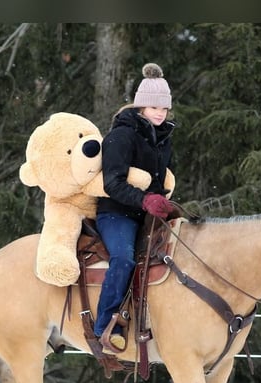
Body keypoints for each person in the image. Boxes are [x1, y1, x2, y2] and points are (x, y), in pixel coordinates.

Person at [93, 62, 175, 354]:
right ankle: (105, 326)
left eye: (164, 108)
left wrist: (164, 202)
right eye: (154, 107)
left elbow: (162, 179)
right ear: (141, 105)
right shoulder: (121, 136)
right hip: (116, 212)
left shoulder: (164, 139)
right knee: (125, 259)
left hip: (148, 213)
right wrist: (144, 200)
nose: (159, 113)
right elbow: (111, 183)